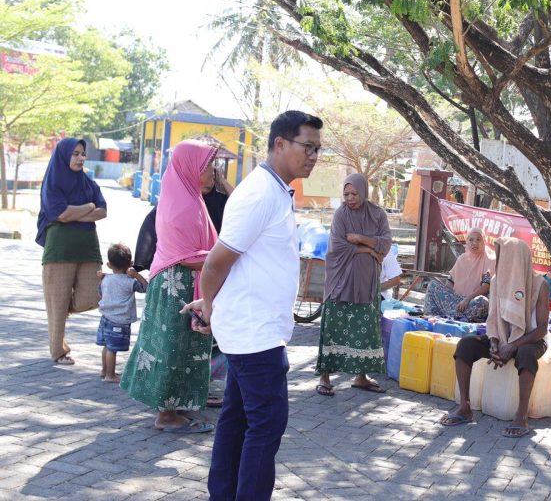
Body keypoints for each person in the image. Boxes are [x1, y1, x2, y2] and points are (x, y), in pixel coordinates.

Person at [184, 110, 323, 500]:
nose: (313, 156)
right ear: (280, 143)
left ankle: (224, 493)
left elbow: (246, 264)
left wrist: (214, 302)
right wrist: (210, 306)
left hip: (254, 328)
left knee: (238, 419)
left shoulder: (274, 190)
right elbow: (216, 262)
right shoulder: (260, 193)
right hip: (255, 334)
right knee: (266, 424)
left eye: (318, 149)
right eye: (307, 147)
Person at [120, 140, 218, 433]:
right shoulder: (183, 207)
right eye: (207, 166)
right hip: (176, 287)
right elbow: (187, 257)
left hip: (178, 285)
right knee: (172, 349)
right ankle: (166, 415)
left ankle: (174, 406)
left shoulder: (186, 198)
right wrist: (226, 259)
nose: (212, 172)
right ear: (191, 169)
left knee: (180, 347)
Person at [440, 237, 550, 438]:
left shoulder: (540, 284)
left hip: (530, 339)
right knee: (466, 345)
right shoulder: (497, 281)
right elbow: (492, 319)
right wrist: (494, 343)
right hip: (501, 337)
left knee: (526, 354)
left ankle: (521, 416)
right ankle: (464, 407)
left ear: (517, 258)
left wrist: (513, 346)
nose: (500, 261)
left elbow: (542, 329)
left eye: (504, 256)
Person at [315, 173, 393, 396]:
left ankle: (361, 377)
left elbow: (386, 243)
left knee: (365, 329)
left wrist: (360, 238)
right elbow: (337, 247)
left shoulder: (377, 214)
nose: (350, 198)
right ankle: (325, 377)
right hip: (341, 282)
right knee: (334, 328)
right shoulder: (341, 214)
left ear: (364, 192)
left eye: (354, 193)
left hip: (366, 282)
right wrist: (370, 249)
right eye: (346, 194)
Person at [36, 137, 107, 366]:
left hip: (88, 249)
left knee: (93, 295)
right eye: (75, 154)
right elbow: (61, 214)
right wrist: (88, 207)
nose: (80, 158)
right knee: (57, 305)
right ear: (64, 155)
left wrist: (75, 213)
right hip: (60, 250)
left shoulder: (88, 183)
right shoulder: (53, 182)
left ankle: (60, 307)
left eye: (82, 154)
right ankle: (59, 352)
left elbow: (103, 211)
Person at [134, 163, 232, 272]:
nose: (209, 183)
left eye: (212, 178)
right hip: (180, 267)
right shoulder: (179, 200)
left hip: (212, 266)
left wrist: (222, 181)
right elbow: (151, 226)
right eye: (204, 177)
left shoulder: (220, 201)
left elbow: (239, 205)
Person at [95, 243, 147, 383]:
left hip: (105, 318)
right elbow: (146, 288)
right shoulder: (130, 282)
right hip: (119, 321)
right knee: (112, 349)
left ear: (109, 264)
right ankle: (110, 375)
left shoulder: (106, 279)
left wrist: (101, 280)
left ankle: (105, 370)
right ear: (130, 264)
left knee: (107, 346)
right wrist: (136, 274)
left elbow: (100, 292)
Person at [424, 227, 494, 322]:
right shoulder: (462, 258)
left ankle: (449, 314)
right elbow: (450, 283)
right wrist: (447, 297)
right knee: (432, 285)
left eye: (478, 239)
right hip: (457, 302)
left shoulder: (489, 259)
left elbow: (485, 287)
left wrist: (467, 299)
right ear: (467, 242)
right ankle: (439, 315)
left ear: (484, 241)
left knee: (482, 302)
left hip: (471, 302)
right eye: (471, 240)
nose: (474, 243)